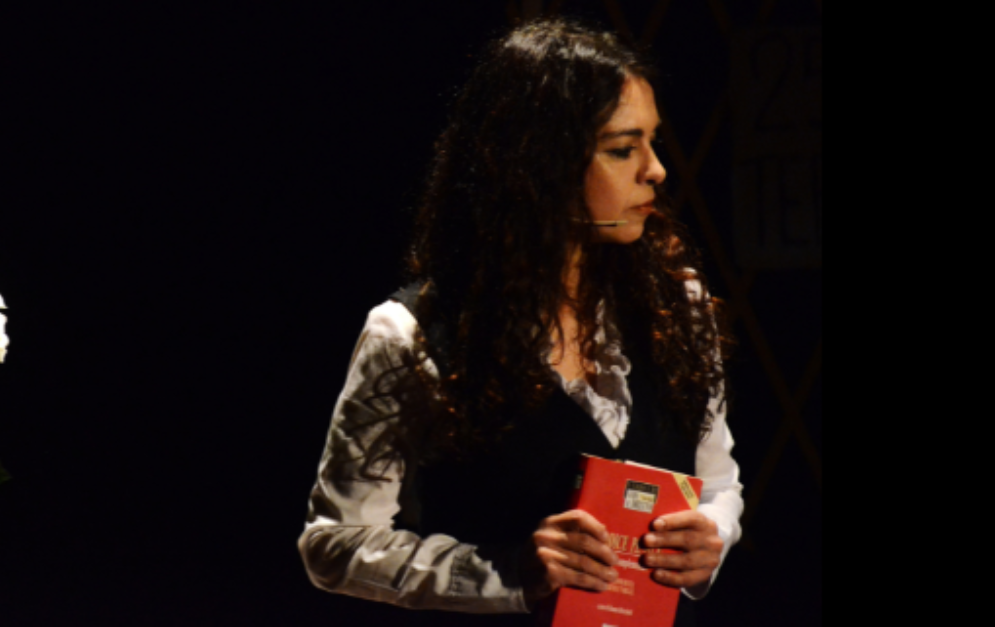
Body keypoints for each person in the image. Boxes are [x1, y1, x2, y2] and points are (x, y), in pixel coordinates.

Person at [299, 19, 743, 627]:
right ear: (539, 166)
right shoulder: (413, 334)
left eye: (652, 141)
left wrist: (710, 536)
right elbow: (336, 543)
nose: (656, 170)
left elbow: (717, 482)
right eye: (622, 148)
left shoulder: (675, 305)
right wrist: (507, 573)